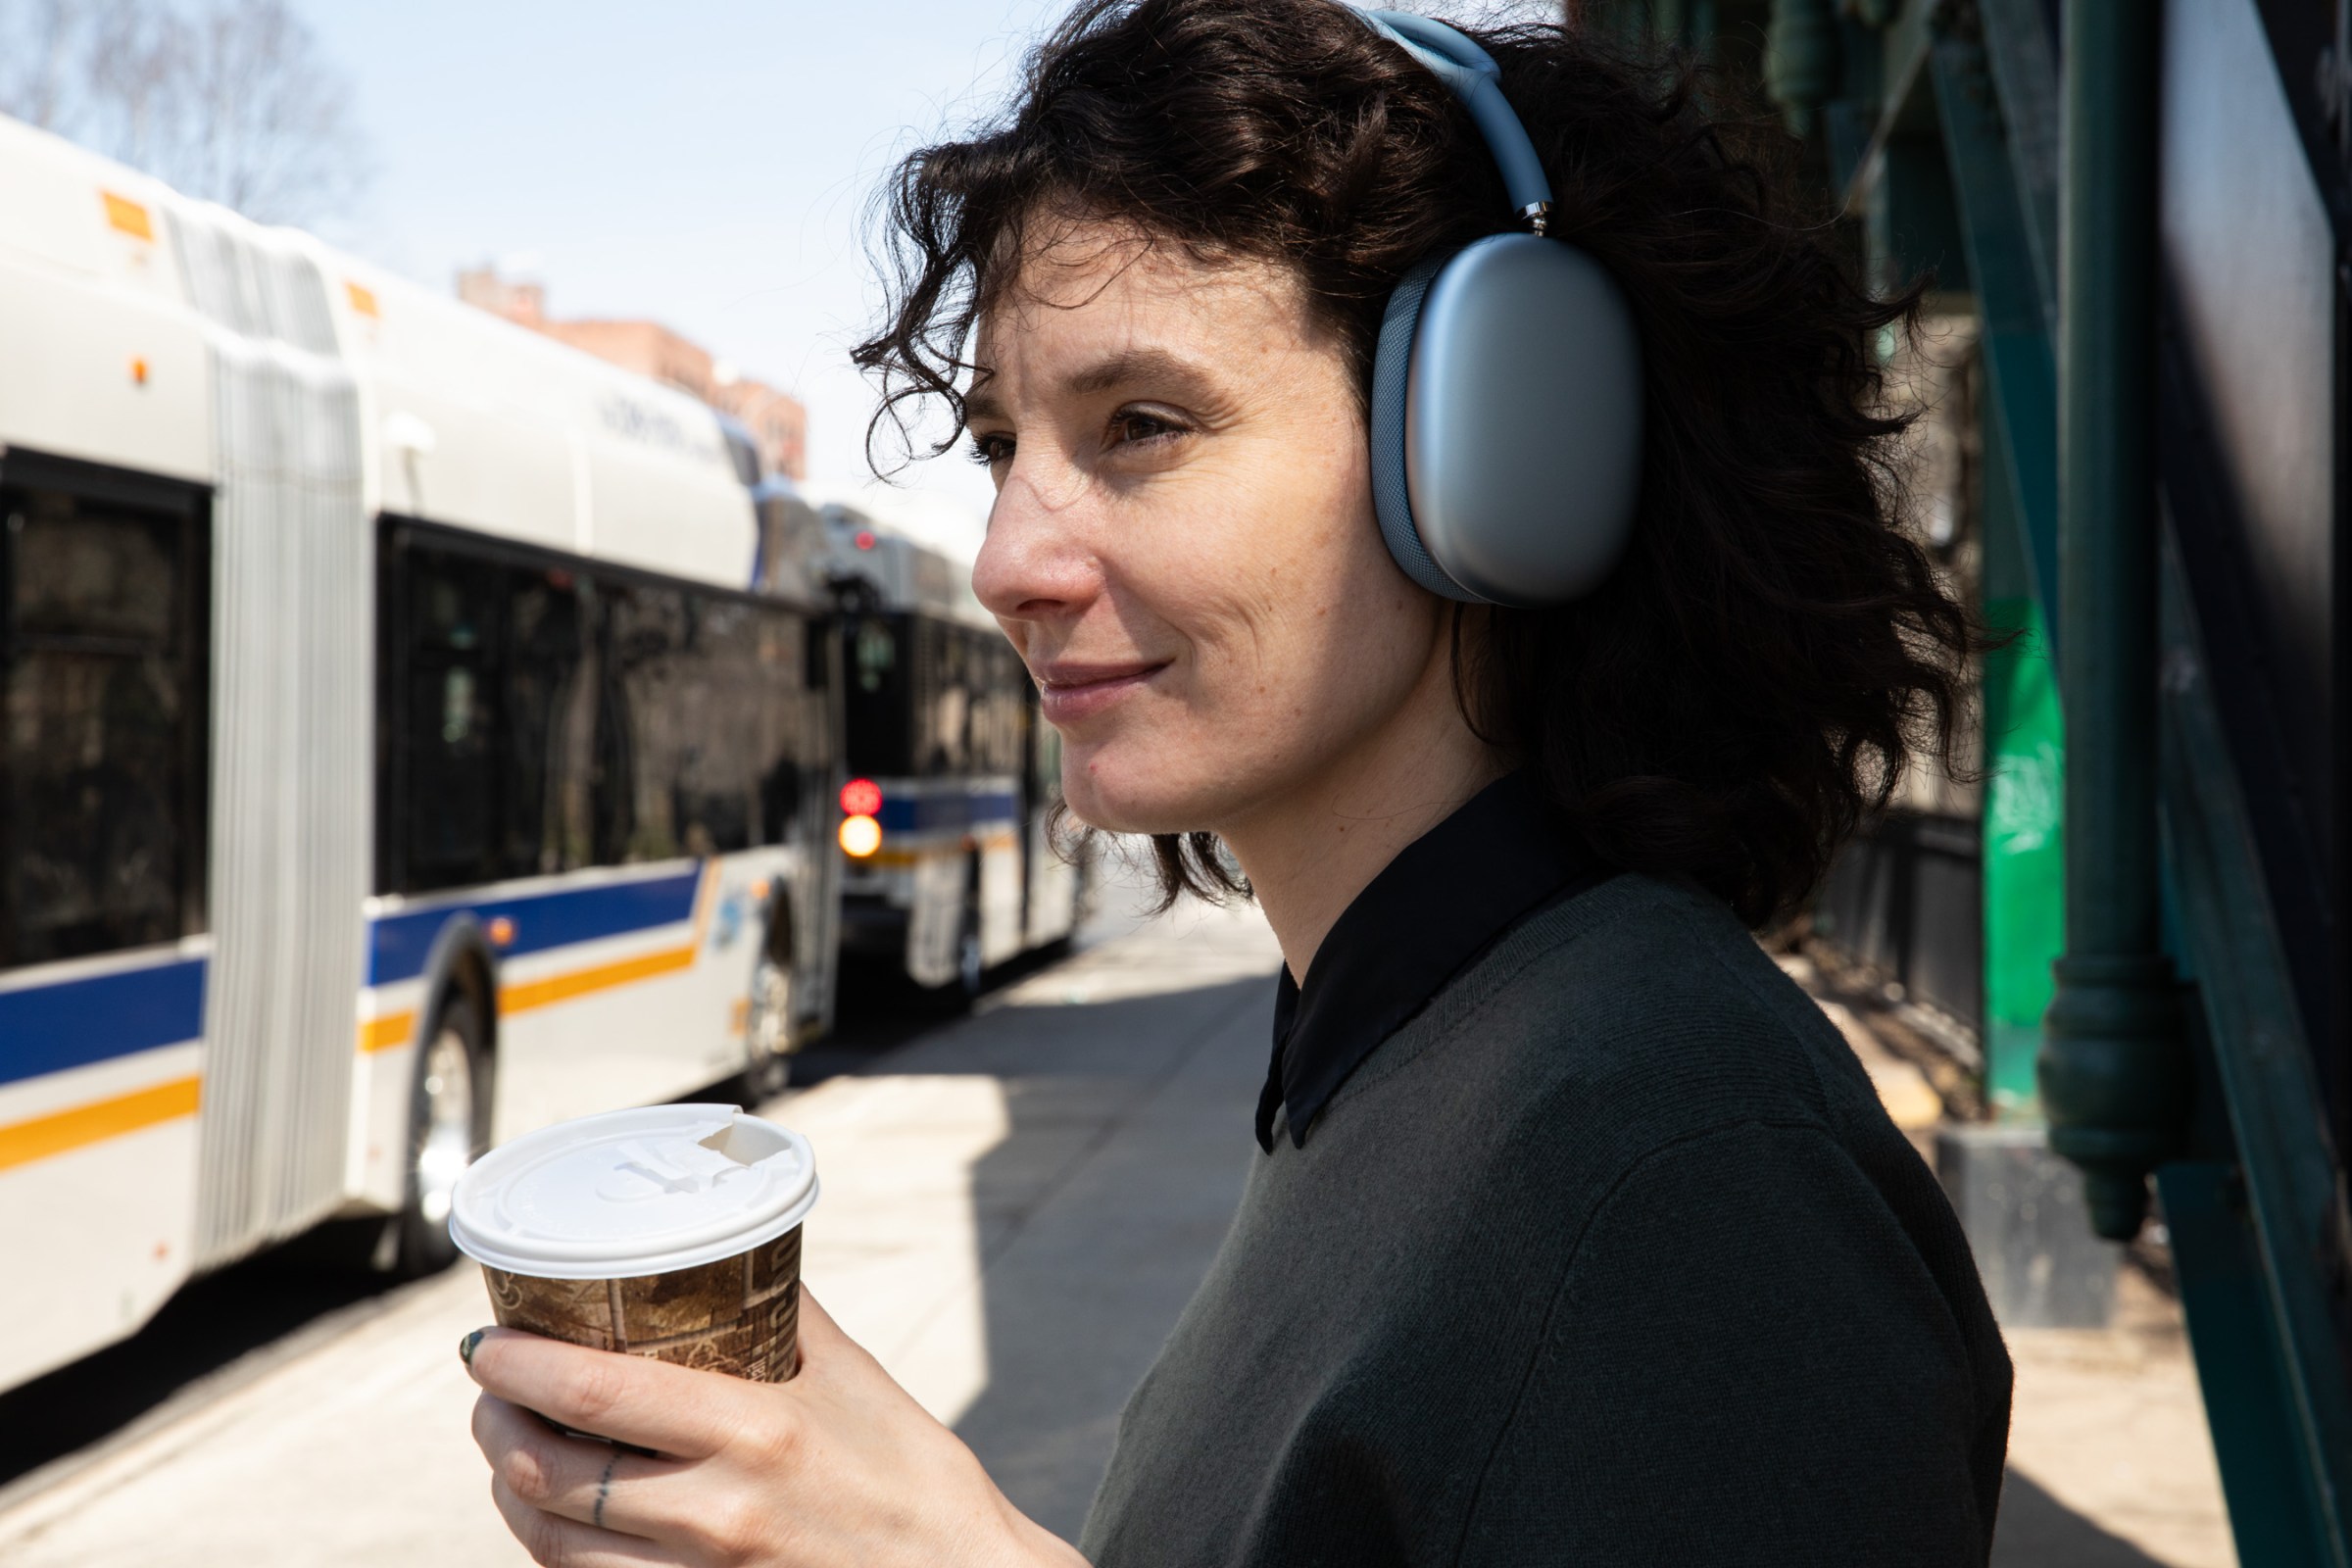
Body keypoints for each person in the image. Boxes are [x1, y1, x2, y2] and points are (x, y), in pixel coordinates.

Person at [462, 2, 2013, 1563]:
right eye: (1000, 445)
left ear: (1500, 451)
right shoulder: (1409, 1049)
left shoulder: (1685, 1173)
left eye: (1142, 427)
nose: (1007, 562)